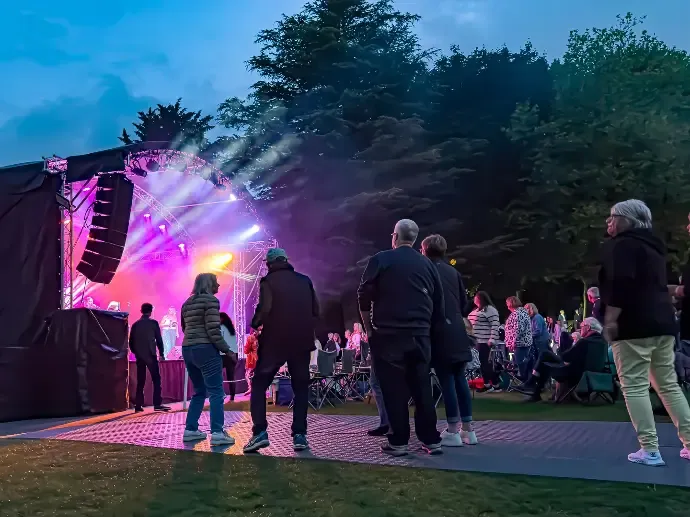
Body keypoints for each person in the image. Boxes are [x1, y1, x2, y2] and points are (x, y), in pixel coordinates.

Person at [600, 199, 690, 465]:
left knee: (634, 385)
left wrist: (610, 320)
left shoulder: (622, 246)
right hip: (662, 323)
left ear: (628, 220)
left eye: (613, 216)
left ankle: (650, 449)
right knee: (667, 385)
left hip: (634, 323)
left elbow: (620, 285)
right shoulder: (654, 247)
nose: (609, 221)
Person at [358, 219, 444, 456]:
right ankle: (431, 439)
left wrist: (369, 329)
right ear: (414, 239)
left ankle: (399, 441)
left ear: (395, 237)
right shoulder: (428, 265)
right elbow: (438, 303)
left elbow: (363, 295)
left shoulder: (381, 259)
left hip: (389, 334)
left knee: (393, 389)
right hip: (420, 335)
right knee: (422, 388)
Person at [243, 248, 320, 453]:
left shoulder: (268, 281)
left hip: (274, 342)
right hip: (301, 341)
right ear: (286, 260)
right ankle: (300, 435)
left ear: (269, 264)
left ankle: (259, 432)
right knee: (301, 387)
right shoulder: (305, 280)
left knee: (259, 384)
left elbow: (265, 308)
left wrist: (255, 323)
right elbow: (316, 311)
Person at [422, 234, 477, 447]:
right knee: (460, 379)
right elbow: (464, 303)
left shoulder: (427, 270)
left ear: (425, 250)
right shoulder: (453, 272)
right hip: (458, 330)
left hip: (440, 331)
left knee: (447, 381)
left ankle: (452, 430)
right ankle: (468, 430)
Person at [180, 273, 235, 446]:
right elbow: (213, 331)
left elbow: (184, 328)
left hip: (188, 348)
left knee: (199, 391)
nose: (218, 286)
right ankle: (217, 433)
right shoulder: (211, 301)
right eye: (216, 282)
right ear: (209, 284)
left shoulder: (187, 303)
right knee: (216, 392)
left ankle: (190, 429)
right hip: (205, 349)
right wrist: (227, 350)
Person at [520, 317, 605, 402]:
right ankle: (533, 387)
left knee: (544, 357)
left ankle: (533, 386)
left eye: (582, 326)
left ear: (588, 327)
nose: (580, 329)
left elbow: (566, 356)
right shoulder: (603, 342)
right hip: (593, 373)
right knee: (545, 358)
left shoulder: (584, 342)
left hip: (573, 374)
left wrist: (560, 351)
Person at [129, 302, 170, 413]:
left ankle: (138, 405)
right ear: (151, 311)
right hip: (151, 354)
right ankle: (157, 404)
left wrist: (136, 352)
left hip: (139, 356)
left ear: (141, 311)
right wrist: (161, 354)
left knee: (141, 380)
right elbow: (159, 340)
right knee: (156, 379)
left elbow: (131, 342)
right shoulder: (154, 323)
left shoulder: (135, 325)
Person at [468, 291, 501, 393]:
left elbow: (495, 325)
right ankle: (488, 384)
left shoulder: (490, 310)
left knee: (486, 364)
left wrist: (492, 339)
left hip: (485, 341)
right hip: (477, 340)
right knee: (482, 364)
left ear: (481, 299)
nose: (474, 299)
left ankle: (495, 384)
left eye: (476, 297)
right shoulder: (476, 310)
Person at [504, 296, 533, 380]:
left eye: (507, 302)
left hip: (520, 343)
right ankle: (526, 380)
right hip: (521, 342)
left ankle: (525, 381)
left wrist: (513, 341)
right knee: (522, 363)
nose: (506, 304)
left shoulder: (518, 313)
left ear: (511, 303)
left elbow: (518, 329)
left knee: (521, 363)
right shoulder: (520, 312)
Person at [219, 312, 238, 402]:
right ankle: (232, 397)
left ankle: (221, 394)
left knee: (218, 375)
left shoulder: (221, 328)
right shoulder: (232, 329)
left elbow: (220, 341)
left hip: (224, 354)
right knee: (231, 376)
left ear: (222, 319)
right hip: (233, 354)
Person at [243, 329, 259, 395]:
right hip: (261, 358)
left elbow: (246, 351)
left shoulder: (251, 337)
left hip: (252, 359)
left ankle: (250, 388)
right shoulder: (262, 337)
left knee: (247, 375)